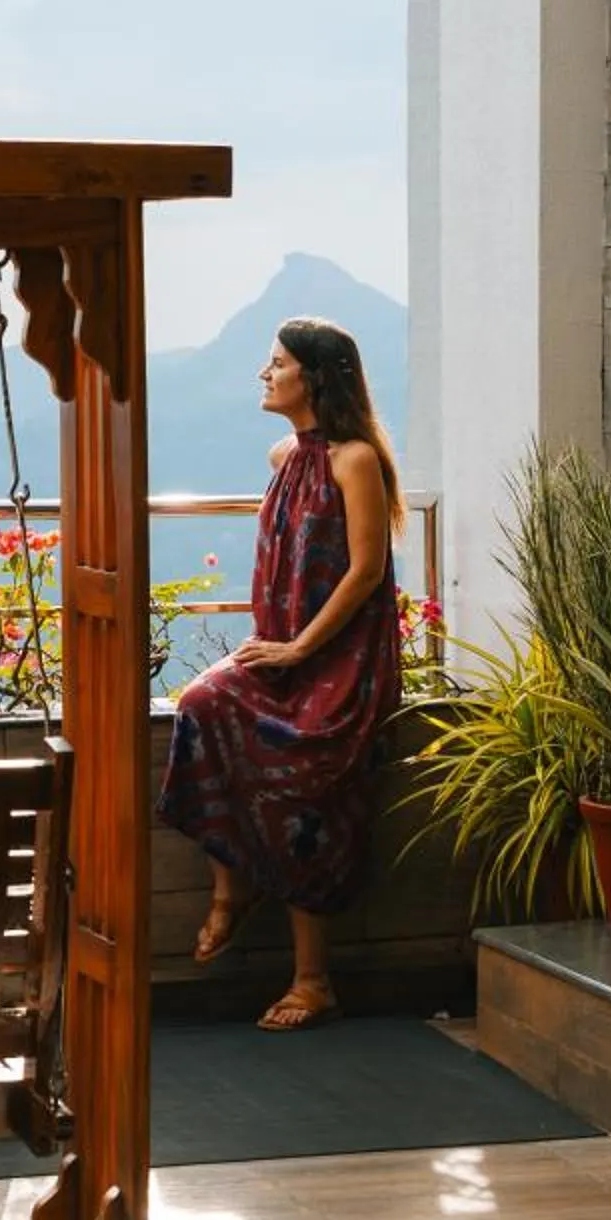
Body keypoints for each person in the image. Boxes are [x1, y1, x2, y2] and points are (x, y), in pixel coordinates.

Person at [159, 315, 405, 1030]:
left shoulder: (355, 459)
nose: (265, 375)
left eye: (277, 364)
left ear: (317, 377)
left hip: (343, 660)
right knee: (201, 705)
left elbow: (365, 572)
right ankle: (231, 888)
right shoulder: (282, 457)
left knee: (303, 780)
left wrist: (300, 650)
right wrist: (270, 643)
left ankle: (312, 977)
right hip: (283, 647)